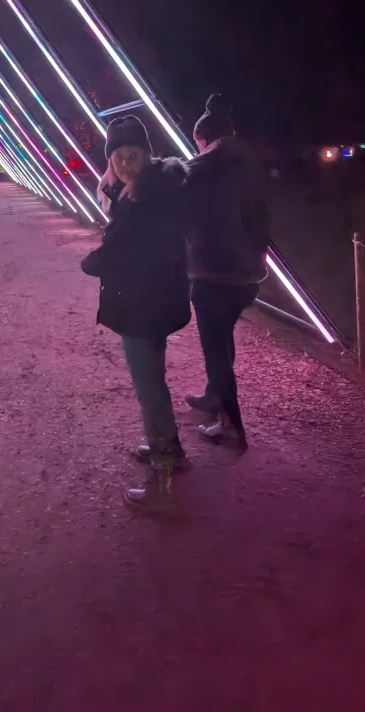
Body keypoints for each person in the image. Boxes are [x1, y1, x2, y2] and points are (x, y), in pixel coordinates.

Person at [80, 116, 190, 507]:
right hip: (155, 301)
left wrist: (93, 261)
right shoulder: (148, 190)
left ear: (147, 154)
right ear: (111, 160)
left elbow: (126, 250)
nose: (127, 163)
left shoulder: (144, 200)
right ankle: (171, 450)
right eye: (120, 156)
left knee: (150, 390)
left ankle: (164, 482)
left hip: (144, 305)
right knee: (154, 383)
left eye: (134, 155)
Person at [184, 94, 270, 447]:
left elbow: (179, 204)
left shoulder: (204, 169)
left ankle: (230, 423)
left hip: (214, 271)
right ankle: (213, 396)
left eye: (197, 143)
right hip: (248, 272)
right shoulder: (250, 165)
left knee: (215, 347)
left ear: (204, 139)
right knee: (223, 338)